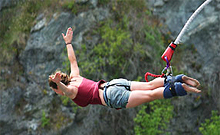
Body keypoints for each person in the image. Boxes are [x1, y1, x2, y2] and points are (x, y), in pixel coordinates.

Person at [48, 27, 201, 109]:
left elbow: (67, 91)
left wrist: (58, 83)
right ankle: (177, 79)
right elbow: (72, 60)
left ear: (57, 89)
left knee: (151, 95)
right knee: (149, 86)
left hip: (111, 96)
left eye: (56, 90)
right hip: (114, 83)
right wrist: (68, 43)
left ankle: (180, 88)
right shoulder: (75, 77)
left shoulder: (72, 92)